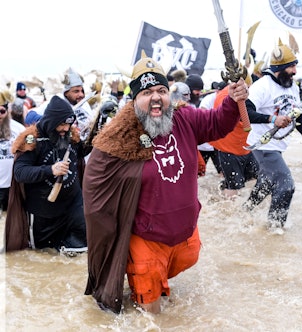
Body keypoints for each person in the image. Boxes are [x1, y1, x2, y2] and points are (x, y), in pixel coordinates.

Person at [81, 51, 248, 314]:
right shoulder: (120, 135)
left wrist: (232, 98)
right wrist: (109, 232)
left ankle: (150, 284)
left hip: (184, 233)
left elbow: (218, 123)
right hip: (145, 237)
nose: (156, 97)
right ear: (135, 99)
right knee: (152, 318)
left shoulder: (184, 118)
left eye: (161, 90)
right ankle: (140, 286)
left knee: (185, 263)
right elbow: (94, 184)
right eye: (147, 93)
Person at [243, 38, 302, 229]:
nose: (295, 71)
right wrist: (272, 119)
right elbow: (245, 114)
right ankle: (275, 229)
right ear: (280, 68)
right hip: (263, 145)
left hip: (278, 146)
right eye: (291, 67)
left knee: (267, 183)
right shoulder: (262, 86)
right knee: (286, 185)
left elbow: (297, 113)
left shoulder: (292, 86)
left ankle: (245, 211)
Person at [4, 96, 88, 255]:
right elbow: (20, 173)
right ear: (51, 122)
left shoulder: (70, 136)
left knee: (79, 254)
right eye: (62, 124)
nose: (65, 128)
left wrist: (100, 121)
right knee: (42, 259)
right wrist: (50, 170)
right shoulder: (33, 140)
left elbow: (85, 150)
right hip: (43, 215)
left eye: (69, 124)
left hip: (73, 209)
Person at [209, 85, 259, 198]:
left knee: (254, 177)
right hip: (229, 149)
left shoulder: (233, 94)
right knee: (233, 186)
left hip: (244, 148)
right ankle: (229, 212)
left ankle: (221, 194)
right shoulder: (227, 95)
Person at [25, 68, 95, 142]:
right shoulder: (57, 102)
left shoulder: (85, 104)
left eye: (82, 91)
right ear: (66, 92)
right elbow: (30, 116)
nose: (81, 94)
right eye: (76, 91)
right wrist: (47, 121)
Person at [0, 91, 25, 213]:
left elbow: (30, 142)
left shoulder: (19, 128)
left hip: (13, 185)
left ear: (7, 111)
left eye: (1, 111)